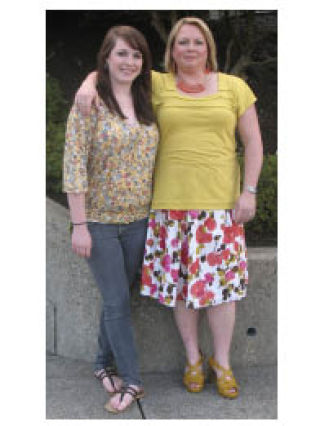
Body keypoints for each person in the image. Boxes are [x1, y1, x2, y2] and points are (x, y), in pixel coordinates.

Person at [75, 16, 263, 399]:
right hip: (167, 208)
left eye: (197, 42)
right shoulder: (157, 83)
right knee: (180, 289)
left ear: (207, 46)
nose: (190, 48)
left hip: (220, 208)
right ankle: (193, 358)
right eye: (182, 42)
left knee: (221, 292)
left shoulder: (234, 87)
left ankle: (221, 362)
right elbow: (115, 69)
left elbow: (254, 144)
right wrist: (88, 81)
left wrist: (249, 191)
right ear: (171, 49)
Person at [63, 25, 159, 414]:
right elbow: (74, 165)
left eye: (136, 55)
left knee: (120, 299)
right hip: (99, 223)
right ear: (106, 57)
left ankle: (102, 364)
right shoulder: (90, 103)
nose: (129, 61)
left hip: (140, 221)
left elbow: (190, 70)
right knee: (118, 301)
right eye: (121, 54)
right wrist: (80, 225)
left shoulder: (148, 97)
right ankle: (132, 381)